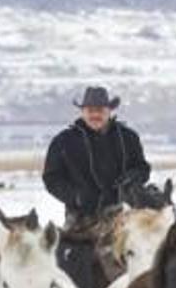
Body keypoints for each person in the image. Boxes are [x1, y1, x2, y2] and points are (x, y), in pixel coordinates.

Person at [43, 86, 151, 222]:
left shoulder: (128, 137)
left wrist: (133, 177)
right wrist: (76, 196)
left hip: (124, 215)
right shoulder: (63, 141)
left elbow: (142, 169)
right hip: (80, 218)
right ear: (82, 112)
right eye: (90, 111)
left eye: (100, 110)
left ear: (109, 111)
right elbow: (52, 178)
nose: (95, 115)